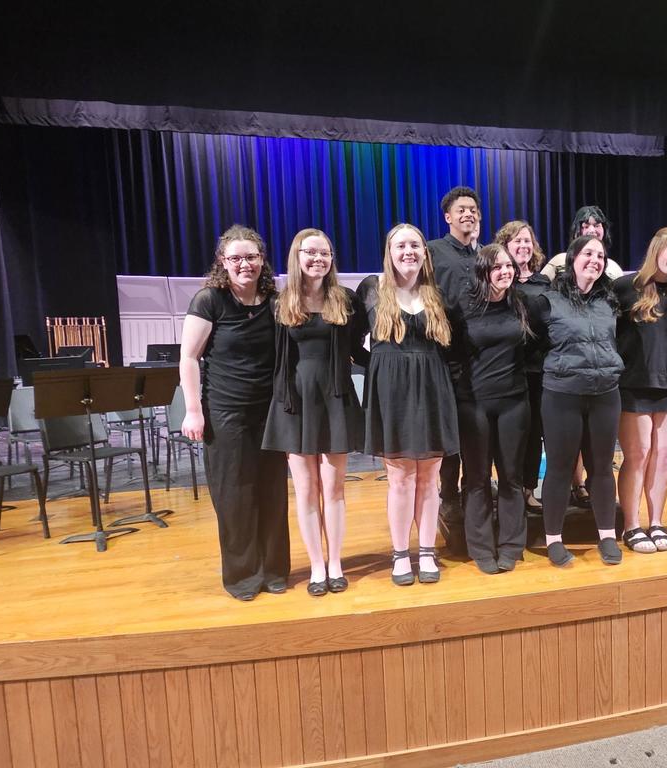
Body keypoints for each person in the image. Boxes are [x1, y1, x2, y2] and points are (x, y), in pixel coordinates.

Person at [180, 225, 288, 601]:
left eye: (252, 257)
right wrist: (194, 411)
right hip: (225, 412)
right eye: (236, 258)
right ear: (223, 262)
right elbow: (189, 358)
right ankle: (243, 576)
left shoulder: (275, 301)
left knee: (272, 491)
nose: (245, 264)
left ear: (262, 260)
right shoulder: (210, 300)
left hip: (270, 413)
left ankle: (275, 570)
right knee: (234, 495)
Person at [262, 228, 366, 596]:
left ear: (332, 258)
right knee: (306, 491)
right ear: (297, 256)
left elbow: (360, 350)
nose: (318, 259)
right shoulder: (280, 303)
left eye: (324, 253)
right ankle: (317, 566)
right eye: (311, 253)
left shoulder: (346, 300)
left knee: (333, 489)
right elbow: (274, 360)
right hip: (296, 402)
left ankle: (335, 561)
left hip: (335, 399)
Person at [357, 223, 459, 585]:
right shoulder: (372, 289)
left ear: (424, 252)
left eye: (415, 245)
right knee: (401, 478)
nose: (408, 252)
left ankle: (427, 550)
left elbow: (454, 345)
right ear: (389, 251)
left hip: (432, 386)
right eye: (400, 245)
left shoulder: (438, 294)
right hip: (392, 392)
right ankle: (401, 553)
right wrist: (380, 372)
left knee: (429, 479)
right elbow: (352, 341)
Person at [529, 235, 624, 567]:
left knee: (601, 468)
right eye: (588, 253)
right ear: (572, 259)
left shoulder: (609, 301)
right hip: (562, 395)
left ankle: (607, 536)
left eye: (600, 255)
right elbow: (532, 346)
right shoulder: (547, 301)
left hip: (605, 395)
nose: (595, 260)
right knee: (559, 468)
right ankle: (554, 539)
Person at [451, 244, 531, 573]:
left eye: (508, 266)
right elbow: (451, 352)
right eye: (497, 267)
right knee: (477, 479)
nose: (505, 272)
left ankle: (512, 543)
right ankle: (481, 547)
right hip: (474, 404)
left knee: (511, 477)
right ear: (483, 271)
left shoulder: (520, 304)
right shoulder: (463, 307)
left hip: (514, 401)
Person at [613, 227, 667, 554]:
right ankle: (632, 525)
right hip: (634, 386)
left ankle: (655, 522)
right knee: (638, 455)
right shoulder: (625, 287)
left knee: (662, 458)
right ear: (657, 248)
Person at [428, 186, 482, 552]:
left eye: (474, 209)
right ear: (448, 217)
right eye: (462, 209)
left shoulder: (486, 255)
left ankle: (474, 489)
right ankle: (448, 493)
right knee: (448, 432)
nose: (469, 214)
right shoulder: (432, 252)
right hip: (443, 356)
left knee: (475, 431)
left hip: (481, 358)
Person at [494, 220, 549, 511]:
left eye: (528, 241)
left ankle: (528, 488)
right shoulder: (499, 281)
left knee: (534, 432)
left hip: (538, 370)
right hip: (506, 368)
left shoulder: (544, 284)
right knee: (508, 434)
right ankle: (508, 488)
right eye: (516, 241)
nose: (523, 246)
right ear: (504, 246)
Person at [539, 205, 624, 282]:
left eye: (596, 225)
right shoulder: (560, 260)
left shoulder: (613, 268)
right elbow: (538, 287)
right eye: (586, 226)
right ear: (576, 231)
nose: (592, 231)